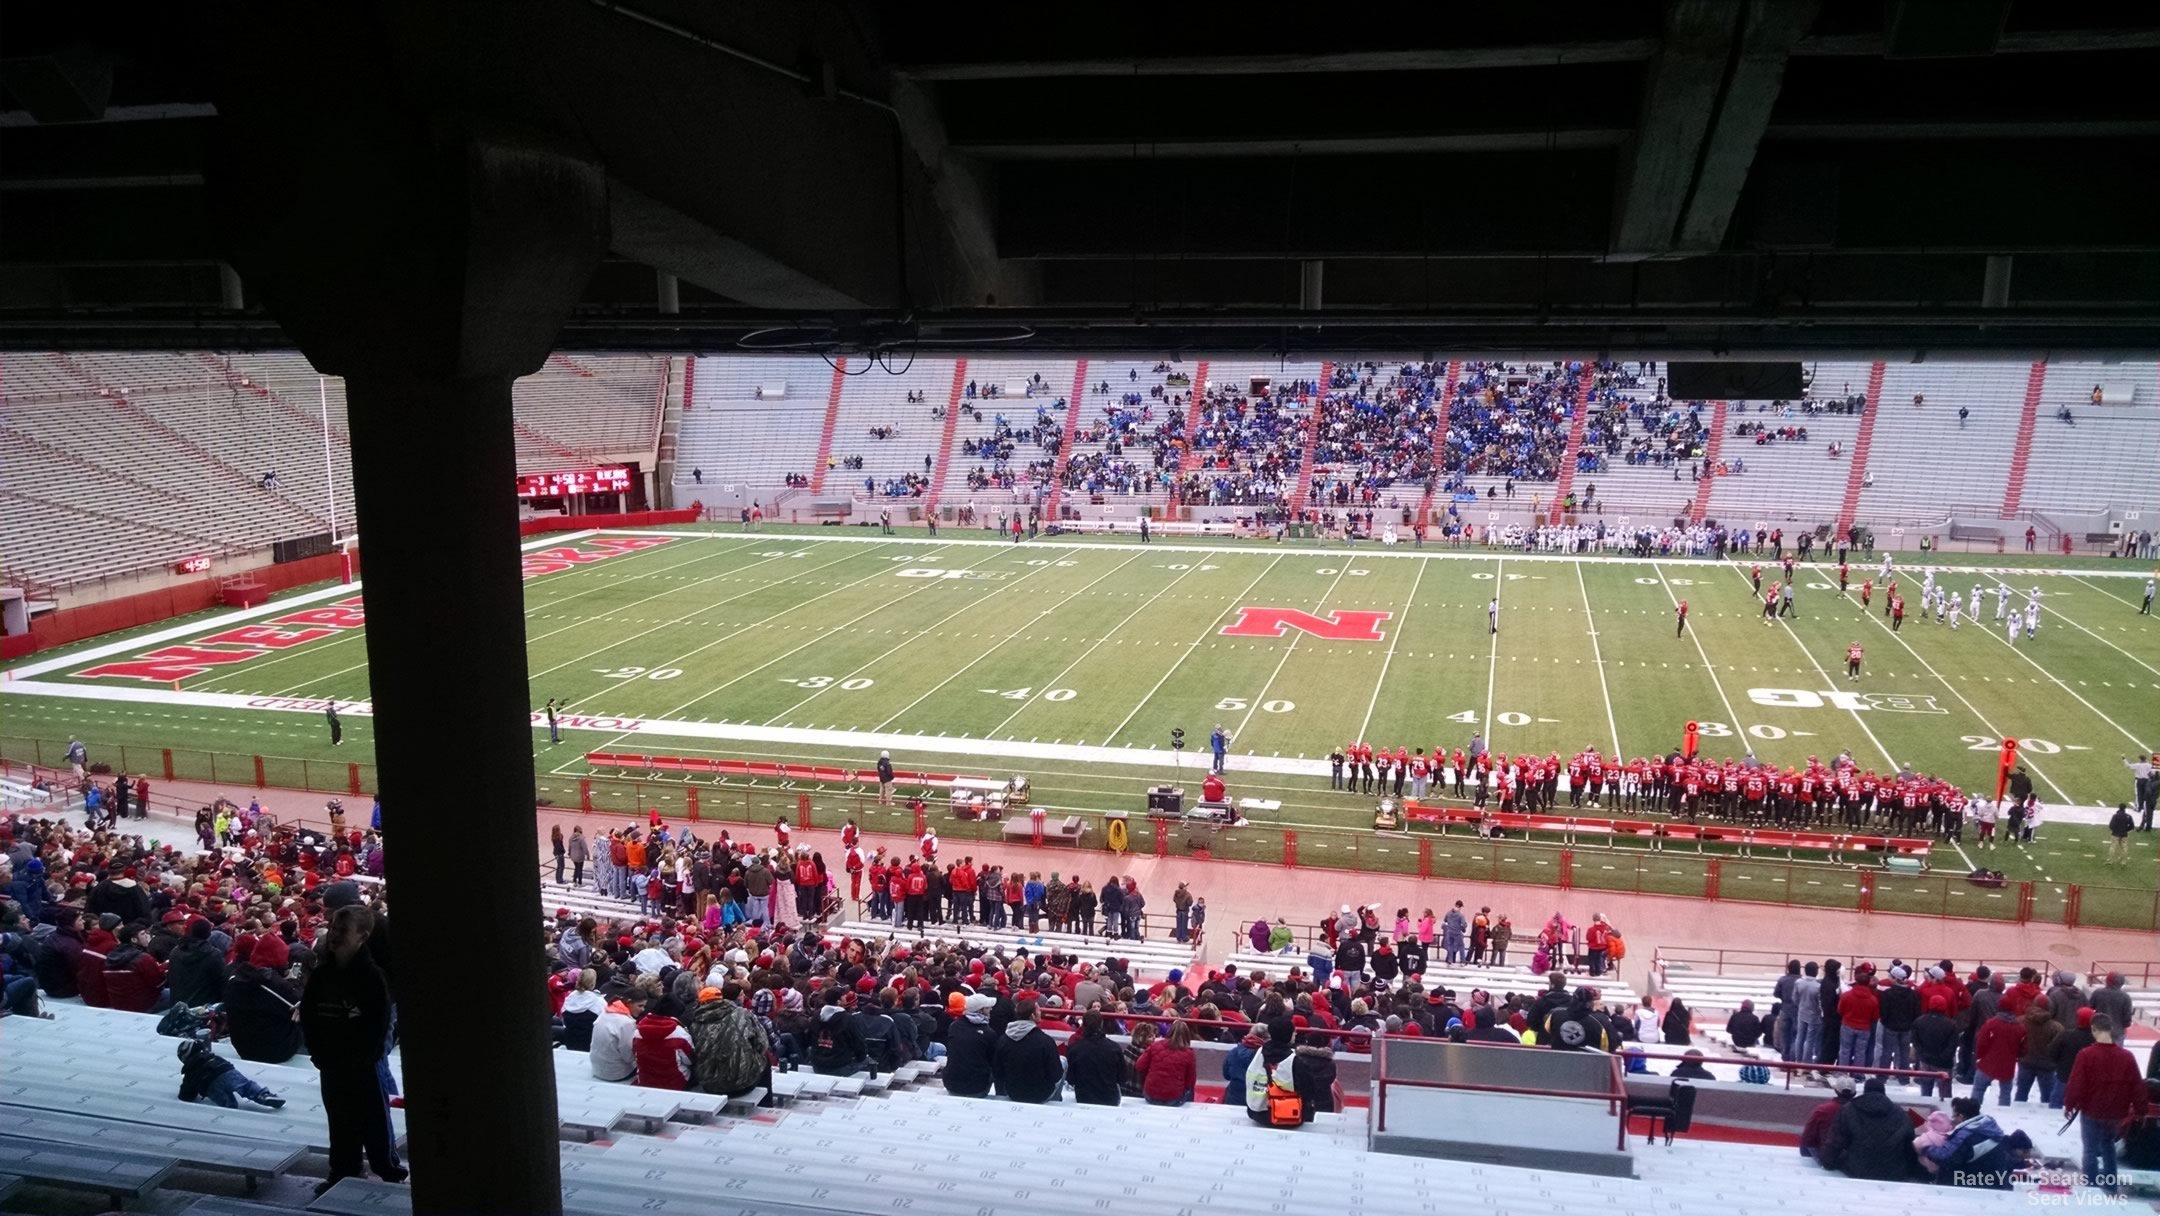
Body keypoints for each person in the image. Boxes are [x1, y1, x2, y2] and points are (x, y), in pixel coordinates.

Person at [300, 905, 402, 1194]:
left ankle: (388, 1169)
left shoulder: (373, 978)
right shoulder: (322, 974)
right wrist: (317, 1052)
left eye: (342, 930)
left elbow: (378, 1025)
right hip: (331, 1061)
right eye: (333, 927)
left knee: (374, 1119)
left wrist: (367, 1059)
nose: (334, 934)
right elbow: (309, 1015)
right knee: (339, 1118)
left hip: (361, 1064)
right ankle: (343, 1169)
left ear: (363, 936)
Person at [2063, 1013, 2150, 1195]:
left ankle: (2091, 1189)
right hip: (2116, 1113)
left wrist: (2069, 1104)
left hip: (2091, 1110)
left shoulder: (2086, 1055)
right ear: (2111, 1030)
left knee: (2089, 1150)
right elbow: (2137, 1085)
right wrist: (2141, 1110)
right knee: (2108, 1147)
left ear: (2093, 1030)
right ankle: (2110, 1186)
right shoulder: (2127, 1056)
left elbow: (2076, 1084)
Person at [1821, 1076, 1918, 1180]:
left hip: (1857, 1169)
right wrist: (1912, 1171)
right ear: (1884, 1092)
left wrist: (1827, 1163)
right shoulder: (1900, 1113)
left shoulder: (1849, 1109)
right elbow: (1909, 1145)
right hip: (1893, 1171)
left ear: (1864, 1091)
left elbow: (1835, 1142)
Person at [687, 984, 770, 1100]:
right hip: (742, 1084)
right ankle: (767, 1105)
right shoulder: (742, 1014)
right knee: (765, 1060)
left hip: (708, 1084)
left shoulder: (694, 1023)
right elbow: (762, 1044)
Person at [177, 1038, 285, 1109]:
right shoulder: (213, 1057)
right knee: (246, 1086)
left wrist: (187, 1094)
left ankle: (231, 1110)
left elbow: (186, 1094)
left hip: (209, 1085)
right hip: (226, 1072)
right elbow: (226, 1064)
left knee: (226, 1102)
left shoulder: (190, 1071)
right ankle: (262, 1095)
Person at [992, 996, 1064, 1103]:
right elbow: (1056, 1075)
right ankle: (1056, 1099)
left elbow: (998, 1072)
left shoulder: (1003, 1040)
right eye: (1039, 1010)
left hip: (1013, 1092)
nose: (1041, 1012)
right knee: (1063, 1061)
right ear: (1032, 1015)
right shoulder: (1046, 1041)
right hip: (1041, 1094)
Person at [1064, 1011, 1127, 1106]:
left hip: (1084, 1097)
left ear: (1083, 1025)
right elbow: (1122, 1078)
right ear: (1101, 1024)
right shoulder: (1114, 1048)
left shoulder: (1075, 1048)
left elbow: (1070, 1079)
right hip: (1109, 1098)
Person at [1135, 1019, 1198, 1106]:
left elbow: (1139, 1066)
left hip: (1151, 1095)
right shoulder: (1189, 1054)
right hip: (1174, 1098)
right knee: (1190, 1090)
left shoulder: (1155, 1045)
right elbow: (1190, 1081)